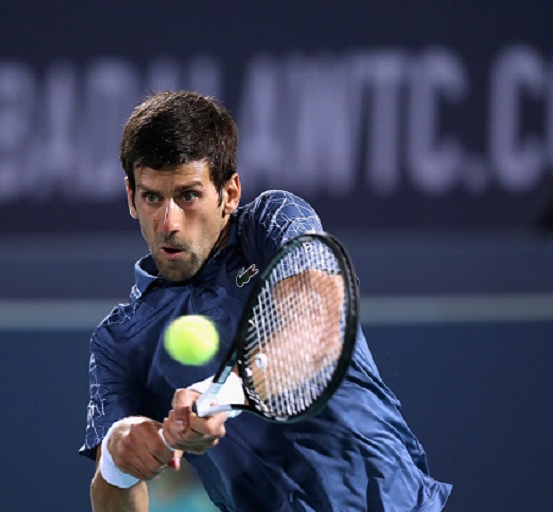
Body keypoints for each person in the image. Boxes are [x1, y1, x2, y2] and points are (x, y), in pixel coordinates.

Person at [79, 90, 452, 511]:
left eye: (188, 195)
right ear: (131, 197)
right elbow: (113, 495)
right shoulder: (117, 340)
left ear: (230, 193)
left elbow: (318, 323)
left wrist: (223, 392)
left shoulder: (272, 223)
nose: (170, 223)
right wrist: (117, 461)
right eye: (152, 197)